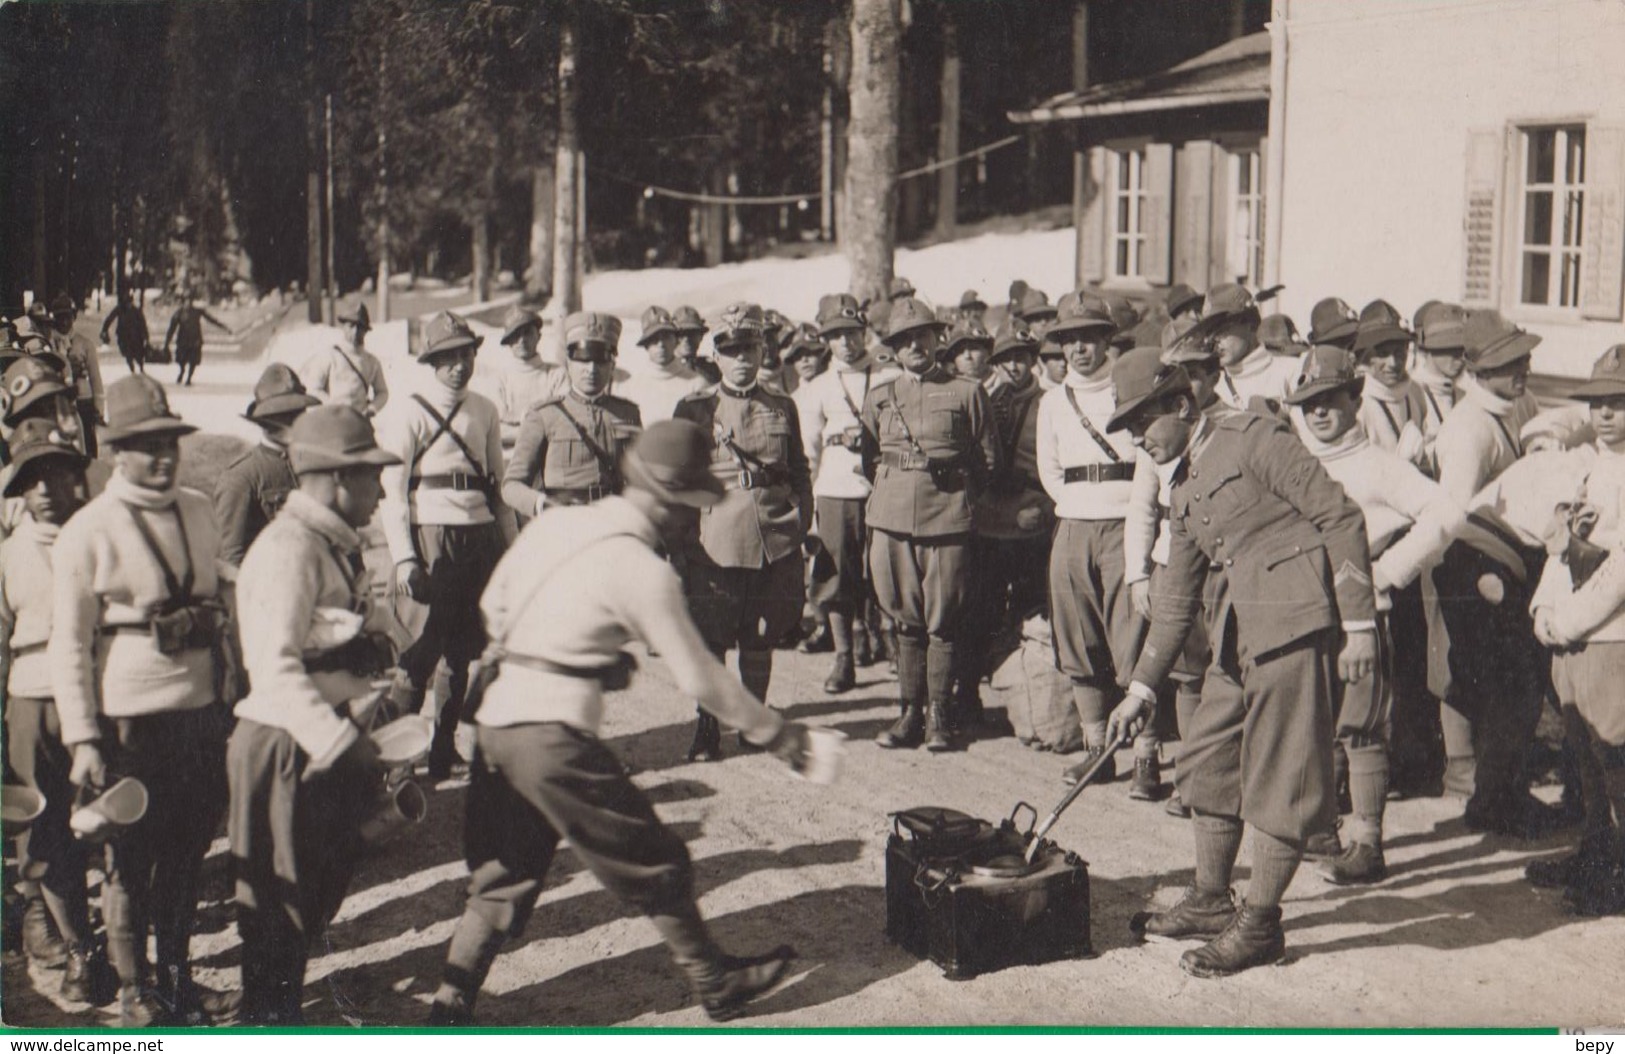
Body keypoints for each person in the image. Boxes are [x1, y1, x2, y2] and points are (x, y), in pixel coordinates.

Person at [426, 419, 822, 1025]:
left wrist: (571, 648)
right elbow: (701, 677)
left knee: (506, 868)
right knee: (656, 855)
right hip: (551, 733)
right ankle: (715, 981)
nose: (696, 521)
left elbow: (494, 604)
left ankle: (448, 1004)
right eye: (693, 507)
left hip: (497, 721)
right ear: (668, 501)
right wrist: (775, 732)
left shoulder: (556, 521)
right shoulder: (645, 569)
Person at [1103, 348, 1377, 979]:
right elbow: (1173, 600)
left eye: (1144, 419)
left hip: (1294, 620)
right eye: (1128, 427)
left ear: (1180, 404)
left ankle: (1260, 924)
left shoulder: (1252, 436)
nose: (1138, 438)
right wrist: (1140, 691)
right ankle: (1207, 898)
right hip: (1237, 634)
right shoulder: (1184, 484)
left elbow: (1340, 516)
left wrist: (1359, 625)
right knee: (1207, 757)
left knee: (1282, 775)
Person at [51, 375, 239, 1025]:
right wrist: (82, 740)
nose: (162, 457)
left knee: (188, 854)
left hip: (198, 715)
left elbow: (220, 592)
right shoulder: (87, 531)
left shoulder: (197, 507)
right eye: (145, 445)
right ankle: (135, 992)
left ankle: (178, 979)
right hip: (129, 722)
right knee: (129, 862)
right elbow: (69, 644)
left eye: (169, 443)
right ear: (116, 451)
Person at [227, 405, 405, 1024]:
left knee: (313, 891)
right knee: (279, 904)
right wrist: (341, 744)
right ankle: (266, 1021)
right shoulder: (288, 550)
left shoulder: (328, 544)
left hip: (320, 741)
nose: (381, 489)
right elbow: (274, 669)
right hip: (285, 743)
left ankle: (274, 1011)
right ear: (335, 479)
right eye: (371, 475)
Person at [1283, 346, 1466, 883]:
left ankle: (1368, 841)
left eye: (1331, 400)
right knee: (1317, 722)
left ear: (1355, 398)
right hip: (1309, 610)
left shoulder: (1378, 466)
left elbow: (1446, 512)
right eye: (1308, 402)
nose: (1319, 412)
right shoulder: (1299, 461)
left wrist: (1388, 572)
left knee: (1361, 727)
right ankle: (1322, 829)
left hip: (1363, 613)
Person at [1430, 309, 1564, 836]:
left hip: (1512, 560)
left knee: (1520, 683)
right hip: (1477, 565)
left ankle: (1503, 792)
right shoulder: (1467, 428)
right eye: (1510, 363)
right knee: (1510, 683)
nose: (1522, 369)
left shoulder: (1515, 405)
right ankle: (1493, 801)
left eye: (1524, 358)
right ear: (1479, 370)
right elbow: (1452, 516)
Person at [376, 311, 515, 780]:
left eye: (465, 354)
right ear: (431, 362)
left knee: (461, 651)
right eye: (448, 357)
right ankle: (394, 762)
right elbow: (393, 493)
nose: (459, 365)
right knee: (419, 651)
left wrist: (512, 554)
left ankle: (442, 748)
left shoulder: (486, 409)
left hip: (477, 538)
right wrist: (404, 558)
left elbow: (499, 492)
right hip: (429, 538)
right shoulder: (408, 410)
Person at [672, 303, 812, 761]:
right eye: (732, 350)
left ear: (763, 349)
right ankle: (707, 726)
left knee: (760, 633)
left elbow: (799, 470)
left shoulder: (781, 404)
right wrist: (683, 544)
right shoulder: (694, 408)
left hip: (773, 536)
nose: (743, 358)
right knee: (712, 637)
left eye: (750, 347)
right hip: (715, 539)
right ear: (716, 354)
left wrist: (801, 522)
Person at [863, 297, 999, 753]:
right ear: (895, 350)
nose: (915, 345)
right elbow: (870, 457)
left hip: (947, 517)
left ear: (938, 339)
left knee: (943, 621)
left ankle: (939, 712)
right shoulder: (880, 395)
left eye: (922, 335)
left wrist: (958, 497)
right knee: (905, 619)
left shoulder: (966, 392)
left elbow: (987, 460)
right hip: (892, 516)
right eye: (904, 340)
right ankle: (909, 712)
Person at [1, 420, 101, 1001]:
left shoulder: (94, 537)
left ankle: (130, 958)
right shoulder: (11, 553)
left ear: (74, 478)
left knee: (105, 826)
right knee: (45, 835)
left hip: (94, 697)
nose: (45, 489)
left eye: (55, 474)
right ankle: (76, 952)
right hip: (31, 700)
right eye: (31, 478)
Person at [1121, 329, 1237, 818]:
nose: (1193, 382)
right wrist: (1138, 573)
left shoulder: (1236, 426)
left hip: (1228, 568)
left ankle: (1222, 775)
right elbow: (1143, 507)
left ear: (1213, 374)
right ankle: (1189, 776)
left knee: (1228, 671)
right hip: (1177, 561)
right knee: (1188, 675)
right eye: (1182, 373)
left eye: (1200, 372)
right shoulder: (1159, 435)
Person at [1036, 296, 1147, 786]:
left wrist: (1127, 504)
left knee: (1134, 635)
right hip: (1074, 524)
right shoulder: (1053, 401)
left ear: (1107, 339)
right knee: (1077, 634)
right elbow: (1050, 471)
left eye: (1089, 337)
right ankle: (1097, 750)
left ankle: (1147, 754)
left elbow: (1149, 454)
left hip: (1127, 522)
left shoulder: (1127, 387)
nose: (1079, 348)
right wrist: (1080, 504)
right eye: (1068, 340)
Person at [1530, 345, 1625, 916]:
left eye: (1619, 403)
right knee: (1583, 753)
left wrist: (1566, 620)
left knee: (1614, 755)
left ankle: (1616, 870)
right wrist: (1544, 609)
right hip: (1572, 632)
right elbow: (1562, 548)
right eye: (1598, 404)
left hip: (1612, 634)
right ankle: (1595, 852)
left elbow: (1619, 570)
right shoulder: (1589, 464)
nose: (1607, 414)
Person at [796, 294, 897, 694]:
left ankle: (891, 645)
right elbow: (809, 451)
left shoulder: (889, 375)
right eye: (837, 336)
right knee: (836, 575)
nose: (847, 344)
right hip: (836, 488)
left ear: (864, 333)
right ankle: (843, 657)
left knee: (886, 572)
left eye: (853, 334)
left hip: (881, 487)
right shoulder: (818, 388)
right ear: (827, 341)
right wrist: (811, 504)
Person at [962, 316, 1052, 728]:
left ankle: (1033, 697)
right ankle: (969, 692)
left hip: (1033, 517)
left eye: (1022, 358)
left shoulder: (1049, 401)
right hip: (991, 519)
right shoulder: (983, 398)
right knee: (980, 608)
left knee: (1032, 609)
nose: (1014, 367)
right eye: (1005, 359)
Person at [501, 312, 642, 520]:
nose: (591, 370)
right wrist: (541, 505)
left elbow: (641, 477)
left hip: (613, 522)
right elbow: (511, 485)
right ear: (568, 363)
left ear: (612, 365)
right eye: (583, 360)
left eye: (600, 361)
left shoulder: (627, 413)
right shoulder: (544, 415)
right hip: (563, 526)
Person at [214, 364, 320, 569]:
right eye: (285, 414)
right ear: (265, 420)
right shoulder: (242, 477)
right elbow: (230, 559)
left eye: (299, 412)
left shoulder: (316, 464)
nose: (295, 422)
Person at [1353, 301, 1429, 466]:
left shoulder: (1415, 392)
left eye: (1399, 353)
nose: (1393, 363)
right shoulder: (1358, 401)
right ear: (1364, 356)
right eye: (1383, 354)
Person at [1199, 285, 1298, 411]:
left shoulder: (1289, 372)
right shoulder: (1213, 387)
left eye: (1221, 329)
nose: (1213, 339)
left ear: (1251, 324)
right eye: (1209, 332)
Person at [493, 305, 568, 449]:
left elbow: (563, 423)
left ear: (538, 336)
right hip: (510, 456)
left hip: (550, 454)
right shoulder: (501, 378)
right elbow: (497, 430)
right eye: (515, 335)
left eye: (527, 333)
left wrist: (514, 421)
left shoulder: (556, 374)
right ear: (508, 341)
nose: (522, 340)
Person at [618, 306, 709, 425]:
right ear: (646, 345)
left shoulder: (696, 383)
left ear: (676, 340)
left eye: (666, 337)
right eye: (654, 339)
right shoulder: (631, 387)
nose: (661, 344)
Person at [299, 303, 389, 418]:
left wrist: (372, 408)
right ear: (344, 327)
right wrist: (333, 405)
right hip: (332, 420)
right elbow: (313, 388)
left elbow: (382, 392)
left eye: (360, 327)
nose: (356, 331)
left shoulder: (372, 361)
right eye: (351, 326)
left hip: (359, 420)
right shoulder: (329, 356)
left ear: (366, 330)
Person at [47, 294, 105, 458]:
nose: (64, 322)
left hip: (83, 399)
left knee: (87, 440)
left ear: (74, 317)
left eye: (68, 317)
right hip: (57, 399)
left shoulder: (85, 344)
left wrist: (98, 405)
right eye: (60, 317)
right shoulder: (48, 344)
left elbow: (95, 377)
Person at [163, 291, 230, 386]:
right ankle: (182, 371)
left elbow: (211, 320)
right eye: (186, 300)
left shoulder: (197, 311)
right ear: (183, 301)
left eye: (190, 300)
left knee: (193, 360)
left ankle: (189, 378)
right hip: (183, 340)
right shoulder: (178, 313)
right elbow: (172, 328)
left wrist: (224, 327)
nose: (188, 302)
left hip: (195, 340)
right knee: (181, 360)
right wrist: (166, 343)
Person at [100, 287, 150, 375]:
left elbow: (143, 324)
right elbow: (110, 318)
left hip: (135, 336)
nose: (129, 304)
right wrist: (104, 329)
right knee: (128, 354)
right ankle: (133, 370)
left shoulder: (135, 310)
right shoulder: (121, 309)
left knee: (137, 354)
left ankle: (141, 368)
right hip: (124, 336)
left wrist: (145, 336)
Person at [671, 305, 721, 386]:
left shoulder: (710, 368)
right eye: (681, 334)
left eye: (692, 333)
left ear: (701, 336)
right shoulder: (666, 369)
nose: (686, 339)